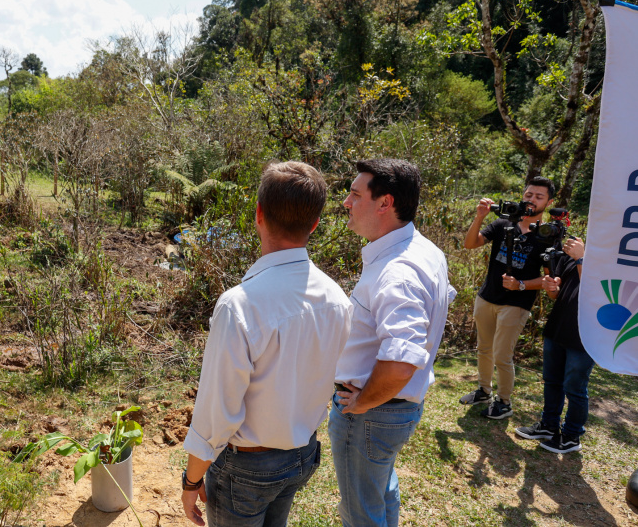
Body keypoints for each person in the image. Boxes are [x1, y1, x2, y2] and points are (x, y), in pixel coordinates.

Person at [181, 161, 353, 527]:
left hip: (247, 467)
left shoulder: (240, 304)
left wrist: (191, 478)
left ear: (258, 214)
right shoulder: (337, 299)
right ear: (315, 224)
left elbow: (216, 414)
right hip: (301, 455)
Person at [329, 159, 454, 527]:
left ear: (385, 203)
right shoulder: (424, 250)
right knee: (381, 490)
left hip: (372, 412)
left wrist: (362, 402)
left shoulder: (398, 270)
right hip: (392, 410)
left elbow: (402, 359)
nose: (346, 203)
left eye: (354, 195)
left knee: (360, 512)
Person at [460, 177, 555, 419]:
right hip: (488, 296)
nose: (531, 200)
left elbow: (550, 281)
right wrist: (480, 216)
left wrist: (521, 284)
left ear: (549, 202)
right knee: (484, 348)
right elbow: (470, 244)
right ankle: (483, 390)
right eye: (529, 194)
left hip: (516, 303)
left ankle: (504, 402)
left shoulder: (547, 235)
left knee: (502, 354)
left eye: (539, 196)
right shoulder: (503, 223)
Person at [515, 236, 592, 453]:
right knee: (552, 382)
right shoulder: (575, 254)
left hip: (584, 335)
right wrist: (551, 288)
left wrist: (582, 258)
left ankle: (571, 436)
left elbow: (594, 292)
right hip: (558, 327)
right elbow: (556, 294)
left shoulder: (604, 261)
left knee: (575, 389)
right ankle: (549, 426)